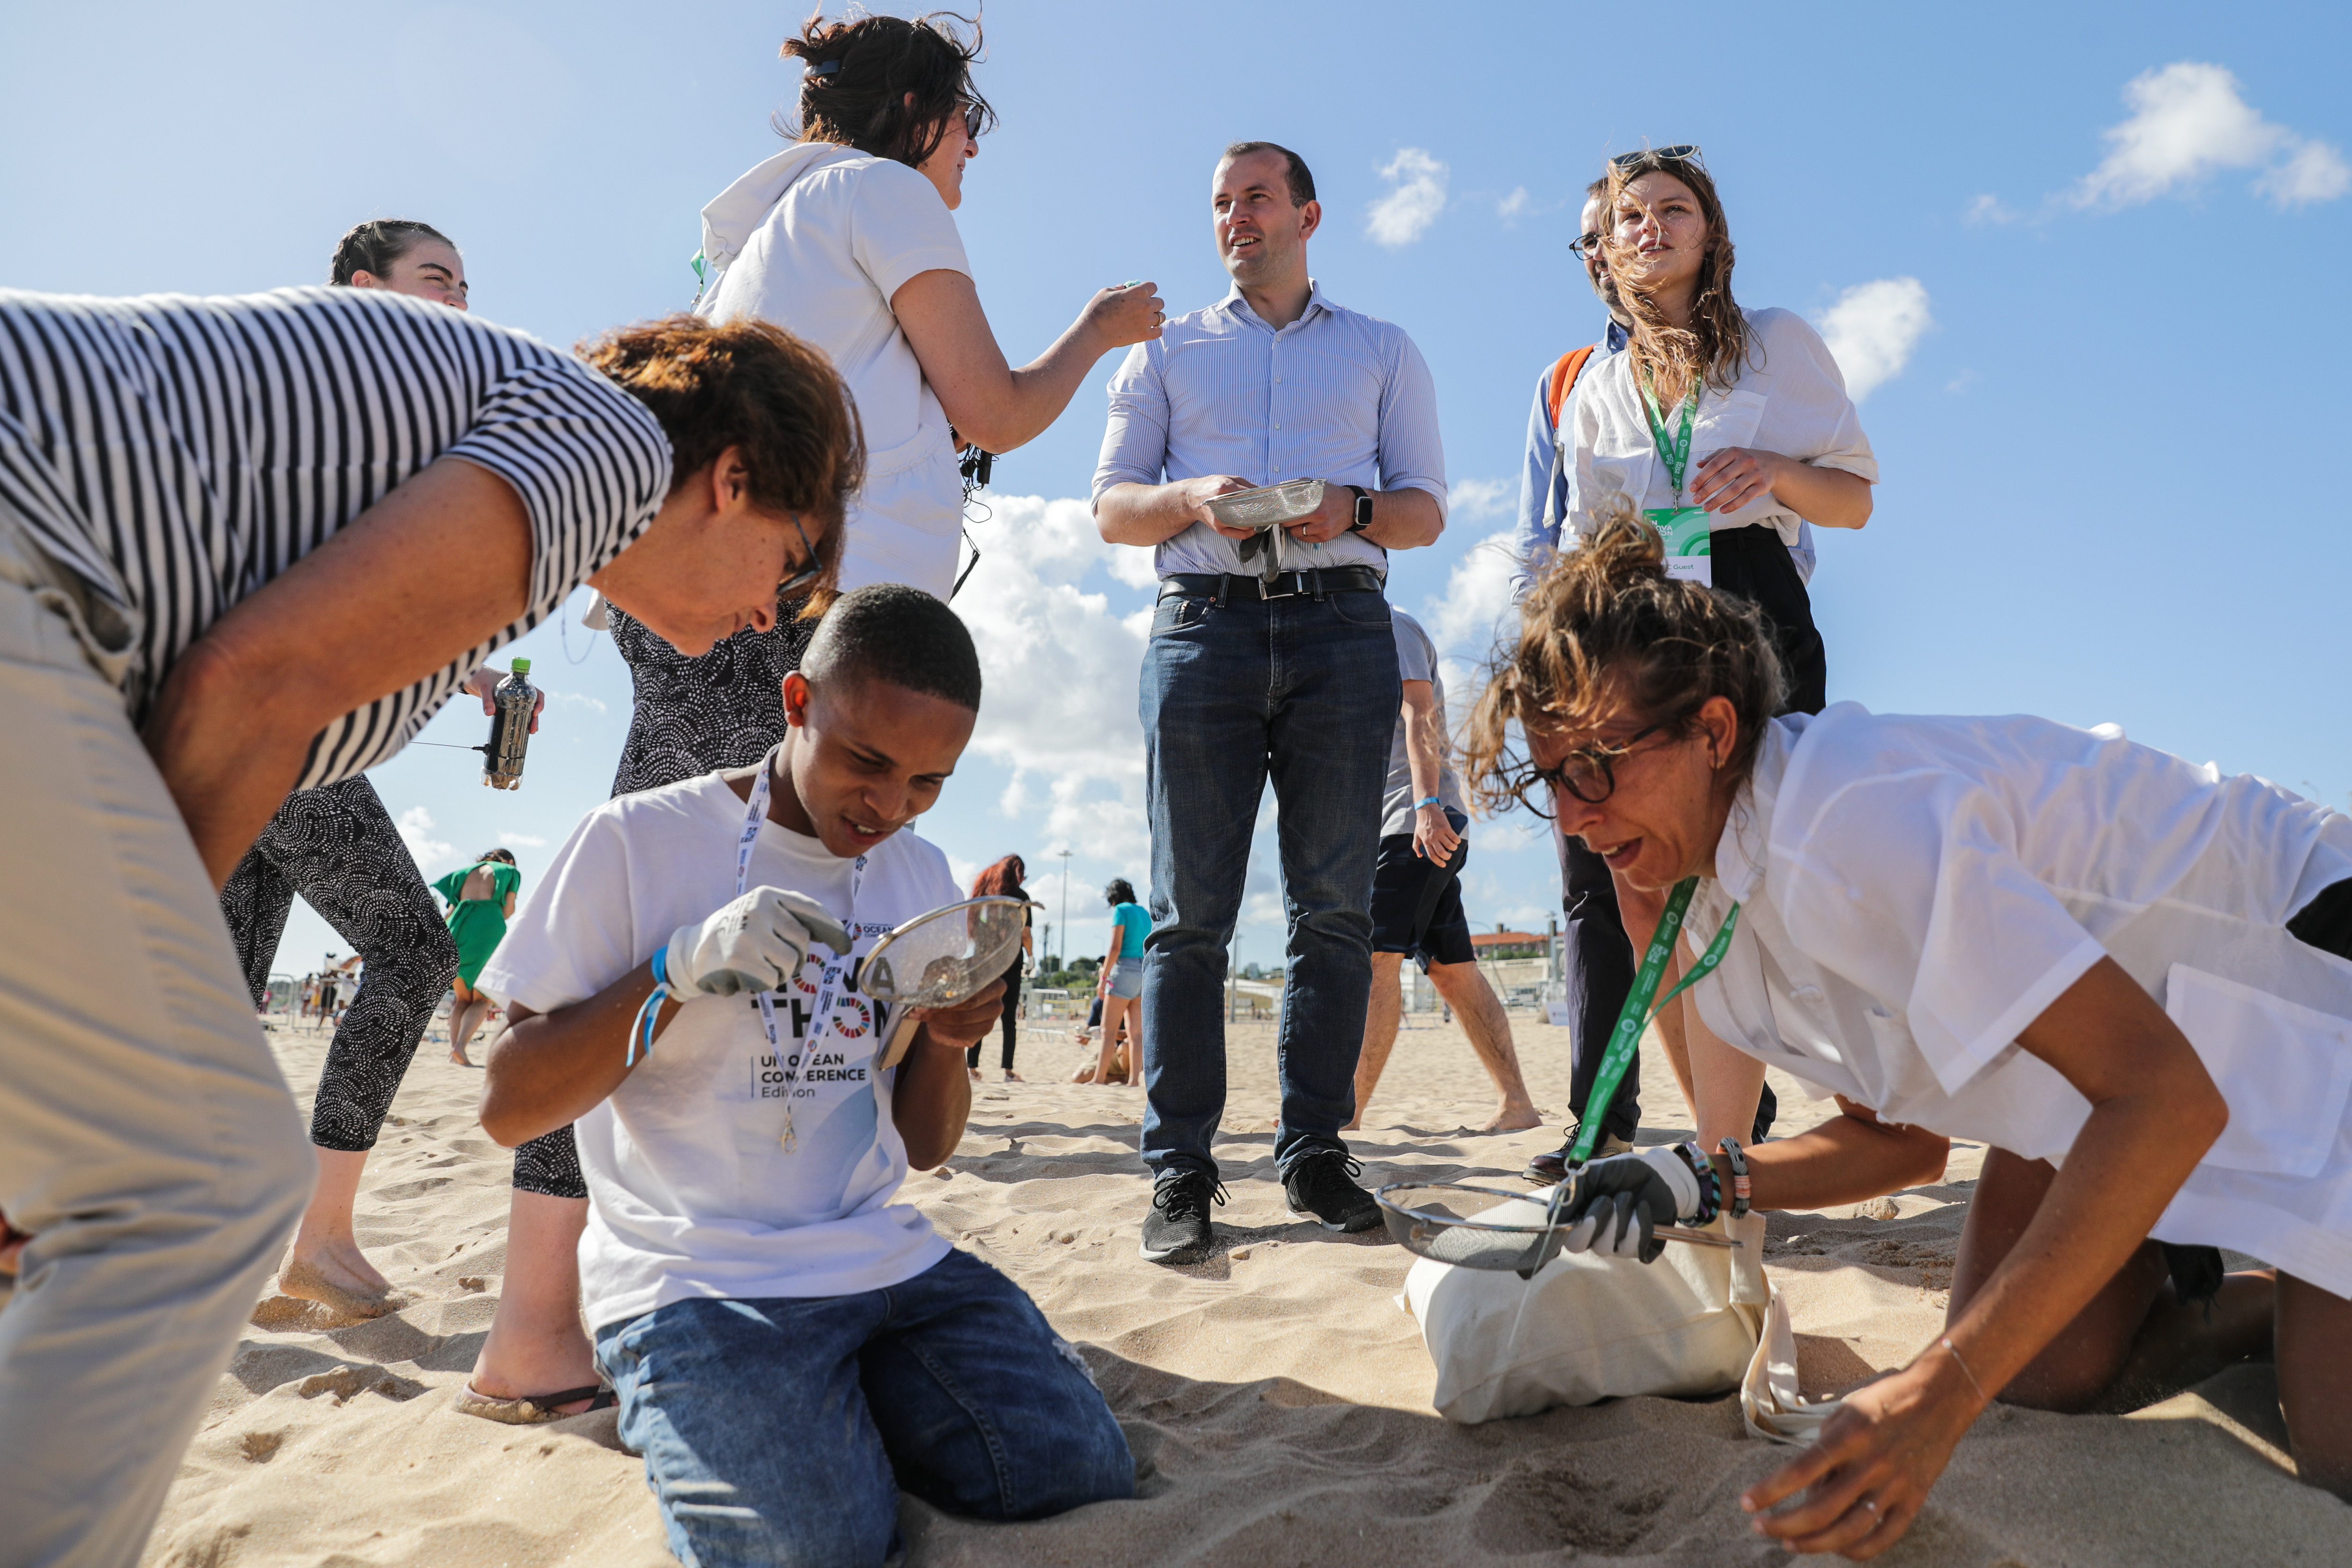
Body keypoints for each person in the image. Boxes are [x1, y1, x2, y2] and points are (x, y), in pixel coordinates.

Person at [0, 281, 860, 1566]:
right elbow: (248, 690)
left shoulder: (528, 476)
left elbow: (221, 719)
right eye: (785, 571)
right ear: (729, 477)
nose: (762, 617)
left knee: (134, 1164)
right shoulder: (610, 444)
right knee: (206, 1179)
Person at [1464, 505, 2352, 1557]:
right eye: (1546, 778)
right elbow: (1908, 1144)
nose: (1572, 818)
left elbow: (2168, 1098)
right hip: (2098, 1056)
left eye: (1597, 766)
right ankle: (2257, 1295)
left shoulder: (1844, 826)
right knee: (2039, 1371)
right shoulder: (1690, 885)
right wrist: (1698, 1178)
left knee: (2333, 1457)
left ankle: (2302, 1282)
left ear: (1712, 732)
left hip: (2294, 980)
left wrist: (1940, 1392)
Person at [475, 586, 1133, 1566]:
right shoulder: (636, 841)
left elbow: (921, 1145)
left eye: (927, 783)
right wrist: (672, 973)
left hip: (879, 1259)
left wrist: (947, 1039)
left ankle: (830, 1399)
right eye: (866, 761)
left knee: (1073, 1467)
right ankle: (743, 1408)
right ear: (794, 704)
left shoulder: (917, 873)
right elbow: (507, 1102)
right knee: (807, 1547)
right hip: (697, 1278)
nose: (887, 808)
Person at [1095, 140, 1447, 1262]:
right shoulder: (1161, 353)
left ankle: (1311, 1153)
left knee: (1333, 911)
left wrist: (1349, 507)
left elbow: (1426, 510)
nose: (1235, 217)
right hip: (1199, 624)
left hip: (1345, 624)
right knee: (1189, 915)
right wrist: (1192, 495)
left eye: (1255, 197)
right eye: (1218, 203)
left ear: (1307, 212)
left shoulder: (1383, 349)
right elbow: (1110, 508)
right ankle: (1180, 1170)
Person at [214, 218, 555, 1318]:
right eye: (435, 276)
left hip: (238, 728)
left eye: (466, 280)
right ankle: (318, 1236)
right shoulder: (351, 410)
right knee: (412, 949)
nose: (459, 297)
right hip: (276, 726)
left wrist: (477, 680)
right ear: (367, 288)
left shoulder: (381, 424)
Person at [1524, 146, 1874, 1183]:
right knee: (1648, 893)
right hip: (1644, 632)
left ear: (1711, 234)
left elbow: (1853, 498)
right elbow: (1587, 536)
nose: (1649, 229)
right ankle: (1723, 1151)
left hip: (1756, 614)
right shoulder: (1591, 385)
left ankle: (1879, 1110)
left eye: (1673, 210)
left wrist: (1772, 472)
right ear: (1603, 250)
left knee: (1774, 877)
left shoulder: (1777, 344)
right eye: (1628, 217)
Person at [693, 9, 1164, 599]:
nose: (972, 144)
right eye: (964, 118)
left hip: (704, 584)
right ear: (914, 111)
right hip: (798, 593)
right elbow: (997, 418)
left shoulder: (781, 224)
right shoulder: (886, 186)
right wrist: (1096, 330)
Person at [1347, 607, 1538, 1134]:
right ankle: (1517, 1104)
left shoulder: (1391, 625)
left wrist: (1427, 803)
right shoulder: (1341, 629)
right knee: (1453, 972)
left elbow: (1421, 712)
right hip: (1407, 821)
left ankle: (1348, 1113)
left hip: (1414, 819)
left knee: (1376, 960)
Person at [434, 848, 523, 1067]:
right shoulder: (509, 870)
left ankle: (453, 1052)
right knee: (483, 998)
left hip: (457, 929)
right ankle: (460, 1047)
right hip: (487, 927)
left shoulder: (462, 874)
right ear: (509, 860)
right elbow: (509, 909)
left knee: (462, 999)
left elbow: (451, 911)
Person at [967, 854, 1032, 1081]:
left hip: (983, 960)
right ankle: (1007, 1071)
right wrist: (1031, 957)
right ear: (1018, 874)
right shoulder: (1021, 897)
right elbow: (1025, 934)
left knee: (980, 1012)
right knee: (1009, 1020)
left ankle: (972, 1068)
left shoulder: (985, 892)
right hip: (1011, 961)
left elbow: (974, 928)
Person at [1091, 879, 1150, 1090]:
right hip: (1144, 970)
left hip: (1123, 970)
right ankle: (1134, 1080)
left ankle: (1098, 1079)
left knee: (1109, 1031)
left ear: (1113, 897)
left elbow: (1115, 947)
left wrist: (1103, 977)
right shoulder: (1144, 912)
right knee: (1137, 1034)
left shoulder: (1120, 910)